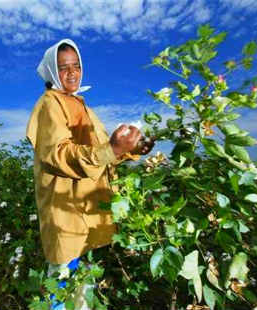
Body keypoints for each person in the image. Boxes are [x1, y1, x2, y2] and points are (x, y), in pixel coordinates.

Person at [26, 39, 154, 309]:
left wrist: (132, 149)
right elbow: (58, 154)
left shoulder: (82, 106)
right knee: (62, 277)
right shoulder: (50, 104)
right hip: (65, 205)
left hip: (86, 205)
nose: (72, 73)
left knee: (83, 277)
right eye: (63, 68)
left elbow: (105, 153)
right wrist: (113, 148)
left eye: (76, 66)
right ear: (51, 72)